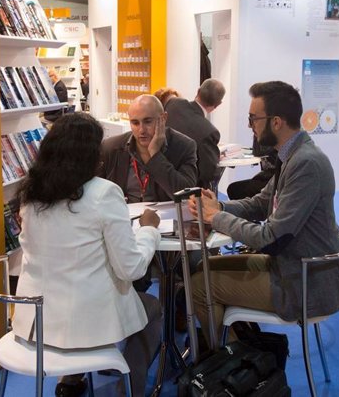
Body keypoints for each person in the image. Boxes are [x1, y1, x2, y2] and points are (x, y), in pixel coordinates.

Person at [187, 81, 339, 348]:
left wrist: (214, 218)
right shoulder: (292, 155)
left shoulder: (306, 163)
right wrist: (219, 208)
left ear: (276, 122)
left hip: (305, 281)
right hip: (293, 265)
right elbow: (260, 203)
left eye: (253, 118)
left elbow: (270, 238)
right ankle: (233, 352)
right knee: (201, 268)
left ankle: (228, 364)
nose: (250, 125)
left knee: (199, 286)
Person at [12, 113, 163, 397]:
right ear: (91, 153)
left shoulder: (30, 194)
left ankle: (70, 381)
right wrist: (148, 231)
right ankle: (129, 391)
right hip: (86, 326)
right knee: (152, 308)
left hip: (36, 322)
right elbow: (131, 269)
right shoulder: (104, 193)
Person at [100, 94, 198, 203]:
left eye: (147, 121)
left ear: (163, 118)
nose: (141, 130)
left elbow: (186, 196)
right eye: (135, 123)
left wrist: (155, 155)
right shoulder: (111, 147)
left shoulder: (184, 146)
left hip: (165, 219)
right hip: (122, 217)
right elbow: (96, 193)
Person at [164, 78, 226, 189]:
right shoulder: (209, 131)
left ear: (198, 91)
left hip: (162, 174)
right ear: (218, 104)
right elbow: (209, 172)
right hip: (187, 187)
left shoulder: (173, 103)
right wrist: (215, 156)